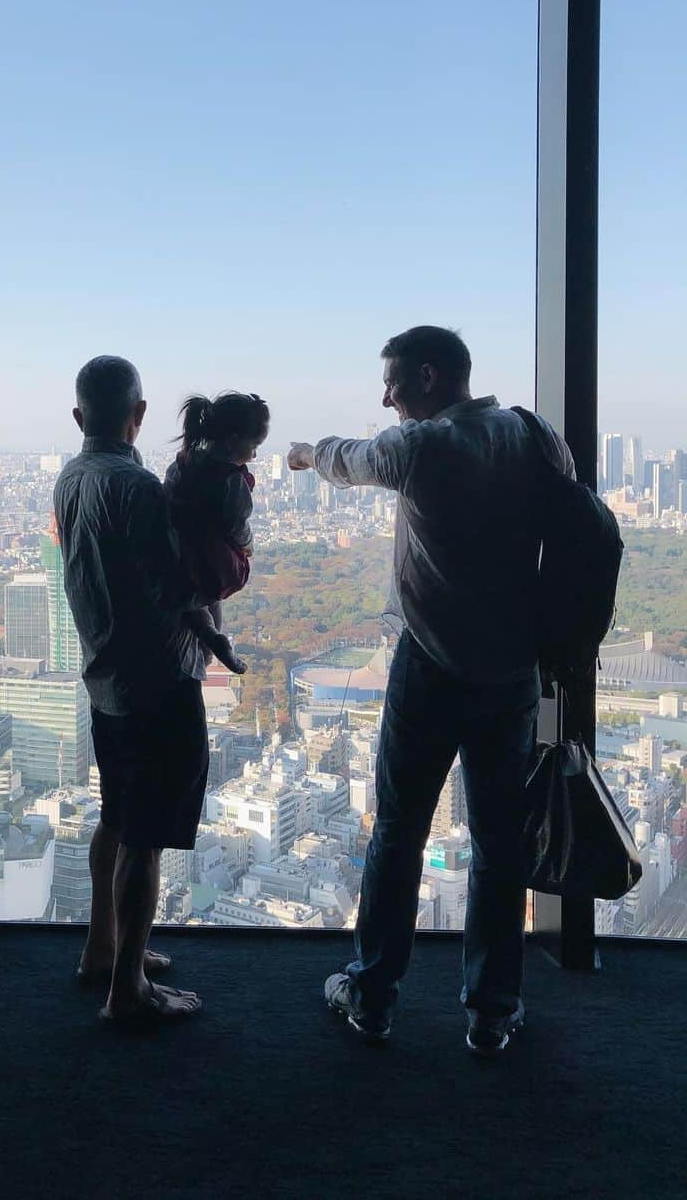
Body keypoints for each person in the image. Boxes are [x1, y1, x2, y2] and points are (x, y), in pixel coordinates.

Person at [289, 326, 573, 1056]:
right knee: (499, 846)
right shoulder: (535, 437)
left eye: (392, 385)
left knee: (398, 834)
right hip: (513, 672)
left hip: (431, 668)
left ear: (425, 374)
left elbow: (350, 460)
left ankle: (374, 993)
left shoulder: (422, 447)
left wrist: (303, 451)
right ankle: (491, 1010)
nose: (385, 400)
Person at [54, 355, 208, 1025]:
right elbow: (171, 588)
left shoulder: (69, 478)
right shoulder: (137, 486)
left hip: (104, 676)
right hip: (153, 680)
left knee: (117, 818)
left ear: (80, 416)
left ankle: (104, 948)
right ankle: (127, 993)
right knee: (144, 837)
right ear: (138, 416)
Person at [163, 391, 271, 675]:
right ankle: (214, 644)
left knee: (189, 599)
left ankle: (211, 638)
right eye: (254, 445)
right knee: (211, 596)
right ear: (234, 440)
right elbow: (237, 524)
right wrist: (247, 546)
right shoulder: (232, 481)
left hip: (175, 547)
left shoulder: (183, 463)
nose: (255, 453)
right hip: (209, 554)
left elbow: (168, 494)